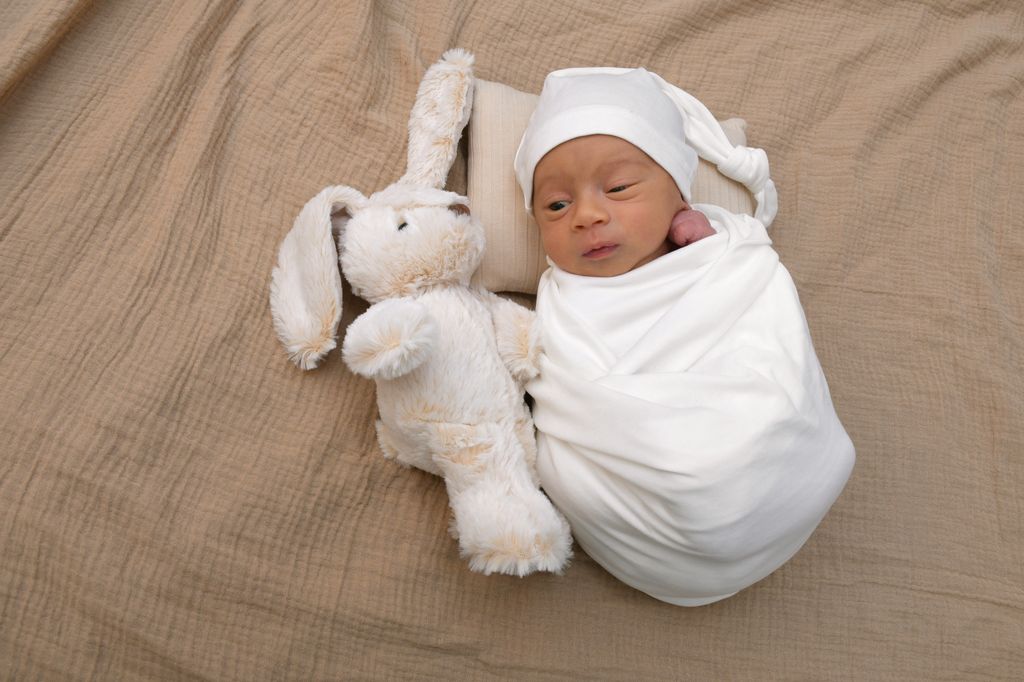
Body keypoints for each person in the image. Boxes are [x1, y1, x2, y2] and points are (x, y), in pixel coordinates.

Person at [513, 67, 855, 606]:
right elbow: (561, 377)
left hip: (755, 439)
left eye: (619, 188)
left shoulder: (722, 255)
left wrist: (707, 243)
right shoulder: (561, 297)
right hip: (631, 478)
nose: (587, 216)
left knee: (752, 435)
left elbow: (758, 319)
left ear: (678, 192)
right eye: (556, 205)